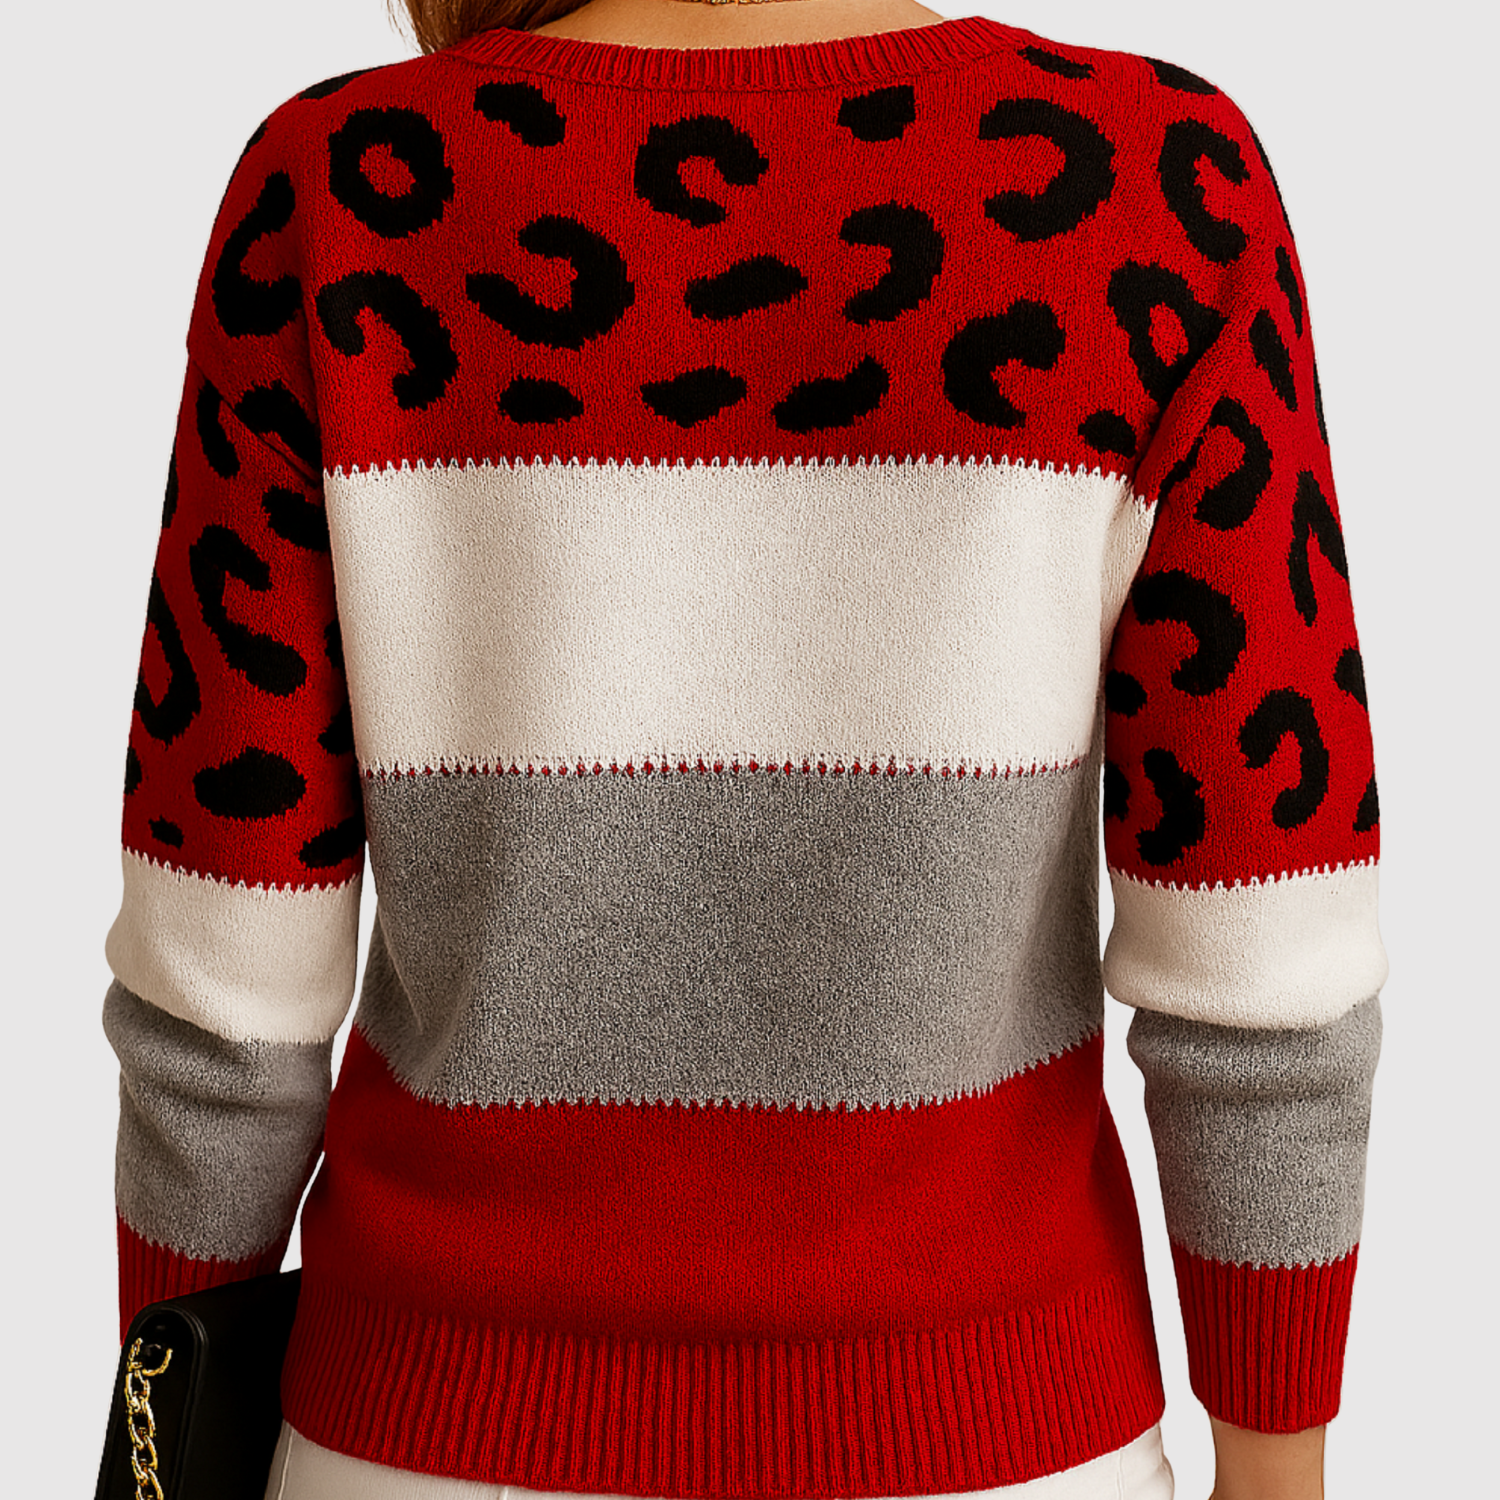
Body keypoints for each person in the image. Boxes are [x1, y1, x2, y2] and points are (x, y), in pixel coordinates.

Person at [100, 0, 1387, 1497]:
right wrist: (1276, 1461)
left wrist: (165, 1434)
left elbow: (225, 982)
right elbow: (1261, 946)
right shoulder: (1160, 188)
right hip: (996, 1439)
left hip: (421, 1432)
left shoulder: (336, 191)